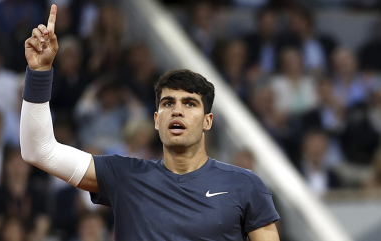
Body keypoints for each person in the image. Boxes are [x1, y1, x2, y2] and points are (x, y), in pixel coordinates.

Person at [21, 5, 280, 241]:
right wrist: (39, 74)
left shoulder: (245, 185)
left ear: (207, 121)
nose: (177, 110)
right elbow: (40, 150)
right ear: (157, 120)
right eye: (168, 103)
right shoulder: (124, 175)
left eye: (189, 104)